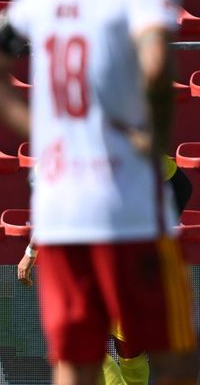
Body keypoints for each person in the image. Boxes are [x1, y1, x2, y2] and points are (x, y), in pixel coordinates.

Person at [0, 0, 198, 385]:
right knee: (178, 359)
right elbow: (158, 71)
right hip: (126, 201)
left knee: (77, 365)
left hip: (66, 208)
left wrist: (47, 133)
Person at [17, 155, 194, 385]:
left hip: (116, 262)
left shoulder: (130, 146)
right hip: (85, 264)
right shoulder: (59, 155)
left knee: (123, 345)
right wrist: (31, 252)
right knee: (80, 343)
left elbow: (181, 187)